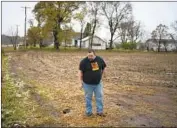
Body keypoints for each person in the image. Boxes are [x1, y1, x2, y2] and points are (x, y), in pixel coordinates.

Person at [79, 49, 107, 117]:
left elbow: (103, 68)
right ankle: (89, 112)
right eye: (88, 56)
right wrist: (80, 83)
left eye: (91, 56)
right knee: (88, 98)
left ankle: (99, 112)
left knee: (99, 97)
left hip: (98, 84)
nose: (90, 57)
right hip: (87, 84)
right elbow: (80, 72)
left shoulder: (100, 59)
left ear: (95, 54)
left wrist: (102, 77)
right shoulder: (83, 62)